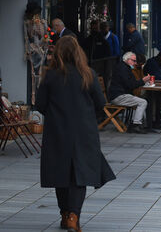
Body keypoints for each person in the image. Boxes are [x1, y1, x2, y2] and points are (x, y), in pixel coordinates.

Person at [35, 36, 115, 231]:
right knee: (80, 175)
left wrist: (56, 116)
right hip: (83, 132)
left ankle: (64, 214)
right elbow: (101, 102)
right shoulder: (88, 74)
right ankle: (73, 215)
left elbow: (40, 105)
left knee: (60, 173)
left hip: (57, 132)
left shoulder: (50, 76)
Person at [109, 52, 153, 133]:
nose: (135, 63)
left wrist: (142, 81)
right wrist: (143, 81)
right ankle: (135, 125)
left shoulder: (125, 67)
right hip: (118, 96)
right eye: (134, 61)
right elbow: (131, 85)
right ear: (127, 59)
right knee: (143, 102)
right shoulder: (123, 69)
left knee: (143, 100)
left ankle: (138, 123)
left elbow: (132, 83)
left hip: (121, 94)